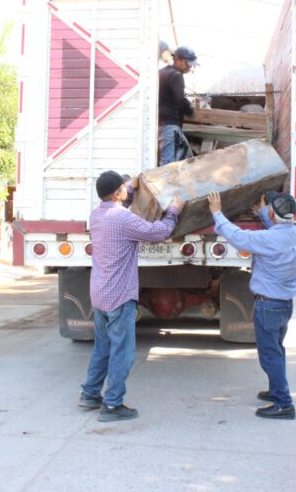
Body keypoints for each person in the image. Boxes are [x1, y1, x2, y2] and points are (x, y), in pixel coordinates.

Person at [79, 170, 184, 422]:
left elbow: (120, 208)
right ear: (117, 193)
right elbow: (159, 232)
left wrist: (132, 188)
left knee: (102, 347)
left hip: (100, 293)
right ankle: (113, 405)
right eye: (124, 188)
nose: (127, 191)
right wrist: (175, 210)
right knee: (123, 352)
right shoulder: (124, 219)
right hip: (119, 295)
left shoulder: (97, 216)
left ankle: (91, 394)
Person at [207, 190, 296, 420]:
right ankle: (276, 391)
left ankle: (284, 403)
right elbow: (277, 227)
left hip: (268, 305)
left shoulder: (267, 239)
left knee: (269, 354)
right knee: (277, 350)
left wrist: (217, 213)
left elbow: (238, 236)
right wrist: (263, 212)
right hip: (283, 304)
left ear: (272, 212)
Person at [158, 46, 198, 166]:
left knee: (186, 157)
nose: (189, 67)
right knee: (167, 164)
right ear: (177, 59)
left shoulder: (162, 73)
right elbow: (180, 99)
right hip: (169, 125)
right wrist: (190, 111)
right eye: (187, 63)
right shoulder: (176, 75)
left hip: (162, 123)